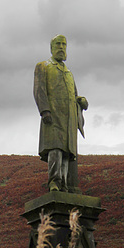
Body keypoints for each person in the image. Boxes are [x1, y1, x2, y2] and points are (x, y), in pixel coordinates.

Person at [33, 35, 88, 192]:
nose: (61, 47)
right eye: (58, 44)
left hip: (69, 118)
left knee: (66, 152)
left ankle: (63, 184)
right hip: (53, 116)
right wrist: (45, 111)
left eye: (64, 44)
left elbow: (73, 95)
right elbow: (39, 90)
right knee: (55, 149)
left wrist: (82, 101)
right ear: (51, 48)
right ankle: (54, 182)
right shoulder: (43, 66)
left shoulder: (69, 73)